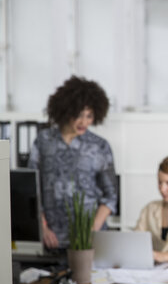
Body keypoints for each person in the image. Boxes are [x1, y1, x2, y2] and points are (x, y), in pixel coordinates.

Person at [28, 75, 118, 249]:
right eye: (79, 115)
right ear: (66, 110)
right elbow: (33, 189)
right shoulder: (43, 141)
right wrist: (43, 228)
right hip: (53, 239)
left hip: (89, 240)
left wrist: (91, 231)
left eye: (89, 116)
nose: (84, 122)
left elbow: (110, 196)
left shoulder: (99, 146)